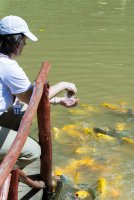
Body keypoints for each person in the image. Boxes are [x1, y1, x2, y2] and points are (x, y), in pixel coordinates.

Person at [0, 15, 79, 188]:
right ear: (15, 41)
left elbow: (24, 100)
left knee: (18, 110)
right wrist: (65, 84)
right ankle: (4, 178)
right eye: (24, 40)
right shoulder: (7, 66)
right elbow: (34, 97)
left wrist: (57, 100)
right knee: (33, 151)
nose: (25, 45)